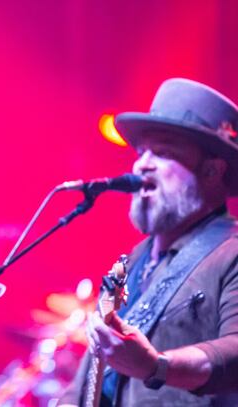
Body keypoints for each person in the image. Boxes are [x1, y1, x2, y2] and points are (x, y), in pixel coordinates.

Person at [58, 78, 238, 406]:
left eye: (164, 152)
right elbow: (95, 364)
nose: (143, 164)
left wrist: (156, 366)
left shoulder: (231, 252)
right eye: (142, 152)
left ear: (212, 170)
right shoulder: (133, 260)